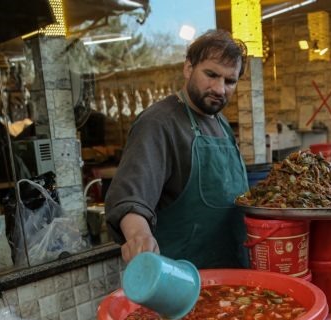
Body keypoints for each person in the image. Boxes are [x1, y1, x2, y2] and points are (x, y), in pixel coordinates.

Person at [105, 30, 249, 268]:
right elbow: (131, 196)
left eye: (230, 81)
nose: (220, 89)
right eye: (211, 74)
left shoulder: (220, 122)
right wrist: (138, 235)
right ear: (188, 68)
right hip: (182, 280)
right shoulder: (159, 123)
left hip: (234, 271)